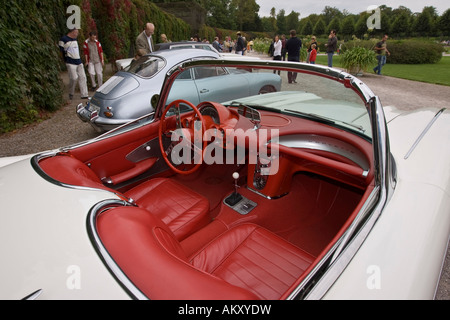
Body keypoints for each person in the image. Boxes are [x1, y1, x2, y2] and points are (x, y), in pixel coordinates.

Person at [59, 28, 88, 100]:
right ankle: (71, 92)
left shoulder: (75, 40)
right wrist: (64, 60)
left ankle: (84, 94)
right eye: (76, 33)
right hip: (70, 61)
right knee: (74, 78)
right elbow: (61, 51)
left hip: (78, 61)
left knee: (83, 77)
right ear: (72, 32)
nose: (77, 34)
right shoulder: (63, 39)